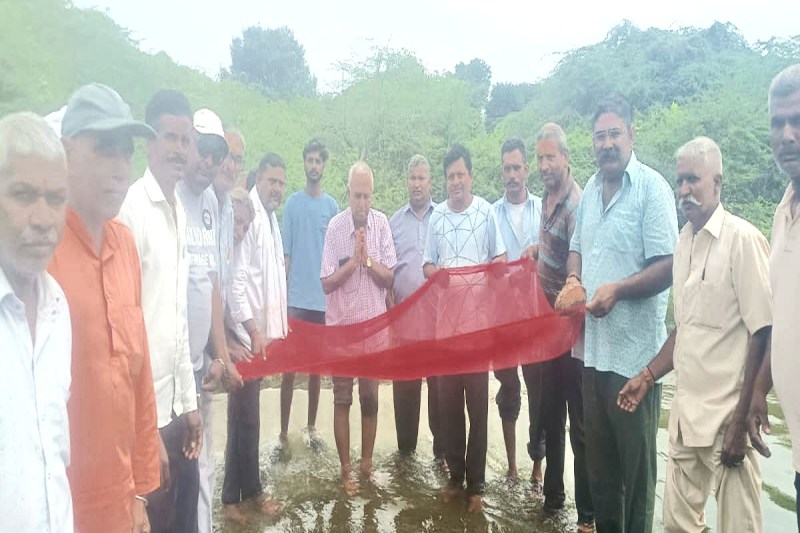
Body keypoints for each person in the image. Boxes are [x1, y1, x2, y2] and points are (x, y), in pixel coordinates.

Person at [618, 136, 770, 532]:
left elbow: (763, 332)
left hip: (728, 421)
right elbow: (685, 331)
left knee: (740, 528)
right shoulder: (682, 242)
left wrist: (742, 419)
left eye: (693, 180)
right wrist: (648, 376)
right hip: (686, 420)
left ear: (717, 182)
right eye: (679, 180)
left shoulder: (743, 241)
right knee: (678, 525)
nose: (684, 189)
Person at [560, 93, 678, 533]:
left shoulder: (653, 189)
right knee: (602, 476)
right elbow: (576, 250)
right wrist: (574, 279)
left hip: (636, 365)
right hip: (593, 357)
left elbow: (668, 265)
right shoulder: (589, 190)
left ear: (632, 134)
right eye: (599, 136)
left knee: (638, 481)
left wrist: (619, 291)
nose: (606, 143)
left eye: (614, 134)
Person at [49, 83, 161, 533]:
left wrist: (138, 492)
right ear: (66, 152)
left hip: (120, 498)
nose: (121, 169)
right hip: (59, 504)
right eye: (105, 150)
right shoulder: (41, 253)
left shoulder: (125, 245)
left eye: (126, 153)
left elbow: (140, 373)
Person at [118, 89, 203, 533]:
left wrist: (190, 404)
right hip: (145, 419)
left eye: (185, 139)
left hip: (176, 411)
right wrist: (146, 429)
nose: (179, 148)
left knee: (184, 520)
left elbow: (178, 320)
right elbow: (127, 333)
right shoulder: (131, 213)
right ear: (149, 142)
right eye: (169, 137)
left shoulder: (180, 212)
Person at [423, 144, 507, 513]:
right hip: (445, 334)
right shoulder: (436, 217)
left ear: (470, 176)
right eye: (450, 176)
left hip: (478, 332)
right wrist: (439, 275)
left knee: (478, 408)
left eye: (461, 174)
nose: (456, 181)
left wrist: (487, 275)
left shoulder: (486, 213)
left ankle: (476, 487)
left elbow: (501, 260)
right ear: (445, 181)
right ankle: (454, 480)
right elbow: (427, 265)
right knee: (449, 408)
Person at [0, 112, 72, 533]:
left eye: (56, 198)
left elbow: (53, 460)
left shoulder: (58, 310)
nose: (43, 219)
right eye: (24, 195)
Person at [522, 123, 594, 532]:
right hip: (547, 331)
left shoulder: (576, 204)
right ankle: (553, 501)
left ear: (566, 158)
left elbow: (576, 259)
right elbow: (552, 251)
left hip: (572, 332)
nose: (545, 165)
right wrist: (536, 250)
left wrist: (570, 282)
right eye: (541, 158)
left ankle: (586, 516)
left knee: (578, 424)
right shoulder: (547, 200)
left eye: (552, 157)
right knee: (550, 417)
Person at [177, 107, 243, 533]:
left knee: (204, 459)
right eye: (204, 148)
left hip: (200, 364)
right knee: (173, 466)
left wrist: (221, 353)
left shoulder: (211, 206)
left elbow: (214, 287)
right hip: (169, 367)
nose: (211, 159)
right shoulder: (171, 198)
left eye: (217, 152)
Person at [321, 161, 397, 495]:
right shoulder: (335, 227)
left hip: (373, 330)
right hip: (341, 331)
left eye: (366, 196)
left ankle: (366, 465)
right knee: (342, 397)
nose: (362, 204)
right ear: (347, 193)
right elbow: (325, 283)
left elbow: (390, 276)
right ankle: (346, 469)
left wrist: (367, 260)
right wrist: (353, 263)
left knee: (370, 397)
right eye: (356, 196)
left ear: (372, 194)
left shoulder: (381, 224)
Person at [750, 63, 800, 532]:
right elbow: (783, 313)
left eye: (798, 121)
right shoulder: (785, 208)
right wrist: (761, 385)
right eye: (777, 122)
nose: (786, 135)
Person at [228, 154, 291, 517]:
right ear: (258, 179)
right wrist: (252, 331)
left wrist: (278, 325)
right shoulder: (248, 215)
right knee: (246, 416)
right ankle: (248, 495)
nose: (277, 189)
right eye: (272, 181)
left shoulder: (268, 216)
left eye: (282, 183)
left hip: (259, 336)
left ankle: (232, 499)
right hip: (246, 336)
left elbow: (268, 277)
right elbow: (237, 283)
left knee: (243, 415)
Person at [280, 138, 338, 447]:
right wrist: (281, 299)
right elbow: (285, 255)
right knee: (289, 369)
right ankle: (283, 433)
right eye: (309, 160)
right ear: (304, 163)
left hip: (322, 301)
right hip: (295, 301)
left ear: (324, 165)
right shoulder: (291, 204)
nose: (313, 166)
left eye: (318, 161)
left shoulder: (332, 208)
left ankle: (312, 429)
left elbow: (337, 258)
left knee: (316, 370)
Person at [491, 138, 542, 481]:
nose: (512, 174)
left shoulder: (545, 208)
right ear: (501, 172)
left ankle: (538, 467)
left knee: (540, 393)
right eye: (506, 169)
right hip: (503, 322)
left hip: (539, 319)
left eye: (517, 167)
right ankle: (511, 467)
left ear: (527, 169)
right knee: (508, 391)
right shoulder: (490, 214)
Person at [389, 154, 443, 459]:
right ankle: (405, 457)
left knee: (440, 395)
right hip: (406, 326)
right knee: (405, 397)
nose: (417, 184)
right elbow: (387, 274)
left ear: (430, 181)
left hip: (438, 325)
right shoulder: (394, 222)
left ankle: (441, 456)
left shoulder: (444, 218)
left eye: (422, 178)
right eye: (412, 178)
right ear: (406, 182)